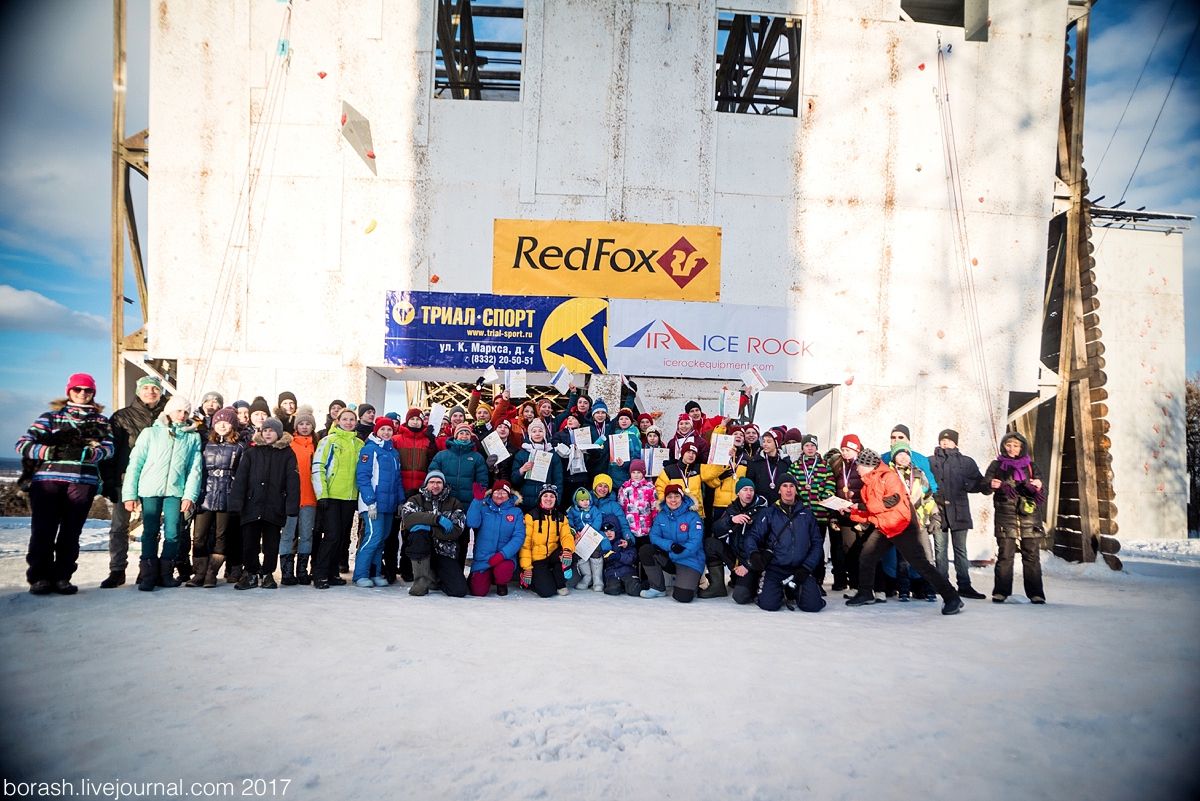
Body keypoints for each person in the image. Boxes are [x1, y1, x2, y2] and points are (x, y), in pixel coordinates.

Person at [15, 373, 114, 595]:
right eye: (77, 389)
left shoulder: (100, 421)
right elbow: (23, 445)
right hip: (48, 481)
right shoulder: (51, 417)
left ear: (93, 393)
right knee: (43, 529)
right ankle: (40, 577)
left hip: (82, 482)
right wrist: (51, 451)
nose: (82, 393)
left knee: (71, 533)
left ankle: (62, 577)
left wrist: (88, 454)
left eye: (87, 390)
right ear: (69, 391)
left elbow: (109, 450)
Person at [844, 448, 964, 615]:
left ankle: (952, 597)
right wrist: (852, 512)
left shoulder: (888, 477)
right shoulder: (867, 485)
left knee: (920, 564)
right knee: (866, 556)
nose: (857, 468)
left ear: (868, 465)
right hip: (885, 526)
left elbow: (892, 501)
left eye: (859, 465)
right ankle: (865, 593)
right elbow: (873, 512)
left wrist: (862, 506)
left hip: (903, 525)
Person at [122, 394, 203, 592]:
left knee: (174, 533)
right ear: (168, 411)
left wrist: (189, 495)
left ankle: (166, 574)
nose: (182, 415)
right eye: (178, 410)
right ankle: (149, 575)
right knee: (150, 531)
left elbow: (195, 468)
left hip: (175, 491)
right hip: (150, 489)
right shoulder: (150, 433)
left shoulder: (192, 437)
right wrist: (130, 494)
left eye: (186, 412)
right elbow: (135, 463)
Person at [99, 375, 166, 588]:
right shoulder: (121, 417)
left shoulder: (166, 417)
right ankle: (117, 570)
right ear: (138, 392)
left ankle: (146, 569)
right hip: (125, 479)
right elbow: (110, 452)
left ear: (160, 392)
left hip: (154, 480)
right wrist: (109, 481)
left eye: (155, 389)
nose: (150, 392)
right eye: (146, 388)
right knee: (120, 526)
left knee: (151, 526)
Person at [229, 418, 300, 589]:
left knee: (271, 542)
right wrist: (236, 503)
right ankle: (250, 572)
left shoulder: (287, 454)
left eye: (272, 431)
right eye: (265, 430)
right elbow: (241, 479)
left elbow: (293, 481)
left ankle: (268, 573)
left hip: (274, 505)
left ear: (279, 434)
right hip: (251, 504)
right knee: (250, 541)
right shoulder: (251, 453)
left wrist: (291, 506)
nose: (268, 434)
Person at [744, 474, 826, 612]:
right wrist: (753, 553)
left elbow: (817, 544)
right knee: (769, 605)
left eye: (792, 486)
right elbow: (753, 536)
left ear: (796, 490)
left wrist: (807, 567)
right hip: (775, 568)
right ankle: (774, 590)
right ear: (779, 490)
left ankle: (792, 590)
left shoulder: (807, 515)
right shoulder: (769, 513)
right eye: (784, 486)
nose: (788, 490)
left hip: (799, 569)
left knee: (814, 606)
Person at [981, 432, 1047, 604]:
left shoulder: (1031, 466)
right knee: (1005, 555)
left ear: (1022, 447)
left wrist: (1038, 487)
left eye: (1016, 446)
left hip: (1030, 517)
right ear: (1003, 446)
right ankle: (1001, 592)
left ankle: (1036, 594)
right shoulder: (997, 465)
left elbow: (1044, 492)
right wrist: (991, 485)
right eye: (1008, 445)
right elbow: (984, 487)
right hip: (1005, 517)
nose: (1012, 449)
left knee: (1032, 557)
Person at [187, 406, 246, 588]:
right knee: (199, 536)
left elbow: (242, 474)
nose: (222, 426)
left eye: (227, 423)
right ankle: (199, 573)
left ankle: (211, 574)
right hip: (206, 495)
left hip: (227, 496)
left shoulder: (239, 447)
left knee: (221, 536)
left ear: (233, 425)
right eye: (219, 422)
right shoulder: (205, 444)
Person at [928, 428, 988, 600]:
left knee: (960, 550)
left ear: (955, 442)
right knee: (940, 550)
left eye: (949, 440)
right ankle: (942, 584)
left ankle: (965, 585)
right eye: (943, 439)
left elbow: (980, 483)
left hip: (959, 511)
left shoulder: (966, 462)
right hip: (939, 512)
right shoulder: (931, 461)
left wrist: (966, 484)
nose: (945, 442)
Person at [311, 406, 363, 589]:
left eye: (351, 419)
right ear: (337, 421)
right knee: (331, 535)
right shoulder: (329, 440)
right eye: (345, 419)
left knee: (341, 537)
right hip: (331, 496)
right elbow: (318, 466)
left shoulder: (359, 444)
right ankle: (320, 573)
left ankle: (333, 572)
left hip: (349, 498)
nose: (348, 423)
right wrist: (322, 494)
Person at [388, 408, 438, 583]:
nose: (415, 422)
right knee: (393, 532)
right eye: (412, 419)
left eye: (418, 419)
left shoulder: (426, 440)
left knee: (412, 532)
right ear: (407, 420)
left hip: (419, 492)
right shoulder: (397, 439)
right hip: (398, 490)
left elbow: (433, 461)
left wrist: (432, 443)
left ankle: (408, 567)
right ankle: (390, 568)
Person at [401, 470, 468, 597]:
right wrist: (436, 519)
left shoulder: (454, 503)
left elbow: (456, 530)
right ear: (426, 484)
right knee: (418, 534)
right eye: (431, 482)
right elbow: (408, 518)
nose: (435, 485)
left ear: (444, 485)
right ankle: (420, 582)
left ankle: (434, 577)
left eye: (439, 482)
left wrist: (431, 529)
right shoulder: (416, 500)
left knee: (459, 590)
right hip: (422, 551)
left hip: (445, 552)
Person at [354, 416, 403, 588]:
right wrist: (370, 501)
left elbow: (397, 480)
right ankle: (360, 575)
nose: (386, 432)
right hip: (373, 503)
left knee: (381, 539)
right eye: (383, 429)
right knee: (373, 538)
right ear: (376, 431)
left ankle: (374, 574)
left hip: (389, 504)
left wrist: (400, 501)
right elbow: (363, 477)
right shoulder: (369, 450)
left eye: (389, 429)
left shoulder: (393, 453)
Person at [700, 477, 766, 601]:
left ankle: (754, 581)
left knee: (740, 597)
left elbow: (767, 545)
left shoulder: (763, 512)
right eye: (745, 490)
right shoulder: (732, 508)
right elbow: (716, 529)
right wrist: (731, 520)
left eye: (751, 490)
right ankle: (717, 586)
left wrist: (748, 565)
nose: (748, 493)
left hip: (752, 560)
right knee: (710, 543)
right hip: (735, 556)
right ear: (737, 493)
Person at [889, 442, 939, 601]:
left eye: (906, 454)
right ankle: (903, 589)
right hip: (900, 522)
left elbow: (928, 497)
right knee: (903, 558)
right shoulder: (890, 475)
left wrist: (935, 516)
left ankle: (930, 588)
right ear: (894, 457)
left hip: (919, 522)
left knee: (927, 556)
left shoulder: (918, 474)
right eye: (899, 454)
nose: (903, 457)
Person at [639, 484, 704, 603]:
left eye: (676, 496)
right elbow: (654, 536)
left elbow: (695, 542)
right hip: (670, 557)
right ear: (665, 499)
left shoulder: (693, 516)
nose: (673, 500)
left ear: (682, 498)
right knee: (646, 550)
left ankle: (693, 582)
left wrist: (673, 554)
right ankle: (657, 588)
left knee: (683, 597)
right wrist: (670, 545)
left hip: (689, 560)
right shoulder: (661, 515)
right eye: (669, 497)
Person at [788, 434, 836, 589]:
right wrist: (798, 500)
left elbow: (830, 484)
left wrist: (825, 496)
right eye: (807, 446)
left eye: (812, 446)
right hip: (800, 515)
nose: (810, 448)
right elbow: (789, 485)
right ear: (802, 448)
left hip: (820, 514)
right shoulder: (795, 466)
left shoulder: (824, 466)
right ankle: (802, 579)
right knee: (802, 546)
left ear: (816, 448)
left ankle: (818, 580)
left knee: (817, 547)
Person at [466, 479, 526, 596]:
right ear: (491, 493)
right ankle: (483, 577)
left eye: (503, 493)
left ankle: (500, 583)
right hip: (483, 557)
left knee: (503, 571)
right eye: (497, 492)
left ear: (509, 495)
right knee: (478, 592)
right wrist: (477, 501)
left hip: (504, 557)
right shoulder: (483, 508)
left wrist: (503, 554)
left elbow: (519, 537)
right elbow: (472, 523)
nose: (499, 495)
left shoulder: (516, 512)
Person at [280, 405, 319, 585]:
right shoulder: (289, 445)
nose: (304, 427)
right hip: (291, 498)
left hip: (310, 497)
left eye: (307, 424)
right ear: (296, 426)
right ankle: (287, 571)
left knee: (306, 534)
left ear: (312, 426)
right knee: (287, 534)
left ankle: (302, 570)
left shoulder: (317, 446)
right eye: (301, 424)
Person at [827, 435, 869, 593]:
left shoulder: (863, 465)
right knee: (848, 550)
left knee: (864, 550)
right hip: (844, 513)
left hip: (862, 513)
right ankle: (854, 585)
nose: (845, 453)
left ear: (856, 450)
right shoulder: (838, 465)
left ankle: (867, 586)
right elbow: (834, 487)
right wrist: (835, 509)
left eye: (848, 450)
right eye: (843, 449)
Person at [519, 484, 574, 598]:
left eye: (552, 496)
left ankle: (560, 584)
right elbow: (525, 545)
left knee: (567, 554)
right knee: (547, 592)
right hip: (537, 559)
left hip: (552, 555)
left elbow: (567, 537)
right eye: (545, 496)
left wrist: (568, 550)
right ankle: (530, 579)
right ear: (540, 498)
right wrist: (527, 567)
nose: (548, 499)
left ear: (556, 499)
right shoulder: (531, 516)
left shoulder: (561, 517)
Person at [510, 419, 564, 513]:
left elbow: (558, 480)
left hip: (546, 503)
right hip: (525, 502)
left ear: (545, 434)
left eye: (540, 431)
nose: (537, 434)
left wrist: (556, 502)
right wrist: (521, 470)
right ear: (529, 434)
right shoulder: (521, 454)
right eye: (534, 431)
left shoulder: (552, 455)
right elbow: (514, 481)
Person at [654, 442, 723, 513]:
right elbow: (660, 488)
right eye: (688, 452)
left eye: (694, 453)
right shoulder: (669, 470)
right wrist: (668, 505)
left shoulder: (699, 468)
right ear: (683, 453)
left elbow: (714, 469)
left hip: (696, 511)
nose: (691, 455)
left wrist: (725, 457)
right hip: (675, 512)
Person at [566, 488, 604, 591]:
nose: (585, 502)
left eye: (587, 500)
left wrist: (591, 530)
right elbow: (569, 520)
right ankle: (587, 577)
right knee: (580, 552)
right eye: (582, 500)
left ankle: (597, 579)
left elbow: (598, 519)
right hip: (579, 536)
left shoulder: (593, 509)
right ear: (577, 501)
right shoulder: (572, 510)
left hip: (592, 535)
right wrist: (574, 530)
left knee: (596, 551)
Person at [617, 458, 657, 547]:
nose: (636, 475)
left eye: (638, 472)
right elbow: (621, 506)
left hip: (646, 527)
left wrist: (655, 521)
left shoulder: (650, 487)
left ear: (643, 473)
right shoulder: (625, 487)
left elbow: (654, 507)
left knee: (645, 549)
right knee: (632, 549)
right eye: (633, 472)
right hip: (631, 527)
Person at [745, 428, 791, 506]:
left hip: (781, 504)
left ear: (776, 444)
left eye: (769, 442)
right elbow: (750, 483)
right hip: (760, 504)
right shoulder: (755, 461)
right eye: (763, 441)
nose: (765, 444)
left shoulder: (785, 462)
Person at [601, 517, 641, 596]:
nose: (609, 533)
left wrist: (618, 556)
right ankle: (621, 586)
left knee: (634, 590)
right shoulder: (604, 545)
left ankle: (645, 584)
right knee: (612, 590)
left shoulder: (623, 542)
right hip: (612, 574)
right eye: (606, 531)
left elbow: (632, 558)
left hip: (627, 572)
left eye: (611, 530)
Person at [606, 407, 643, 487]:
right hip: (613, 472)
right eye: (621, 419)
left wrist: (625, 464)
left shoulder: (633, 436)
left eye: (626, 419)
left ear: (631, 421)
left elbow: (636, 457)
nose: (624, 421)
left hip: (624, 473)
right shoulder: (615, 435)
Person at [590, 474, 634, 541]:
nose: (602, 489)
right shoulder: (586, 502)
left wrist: (629, 540)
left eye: (606, 487)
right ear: (595, 486)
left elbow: (623, 526)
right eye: (600, 486)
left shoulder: (614, 506)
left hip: (608, 539)